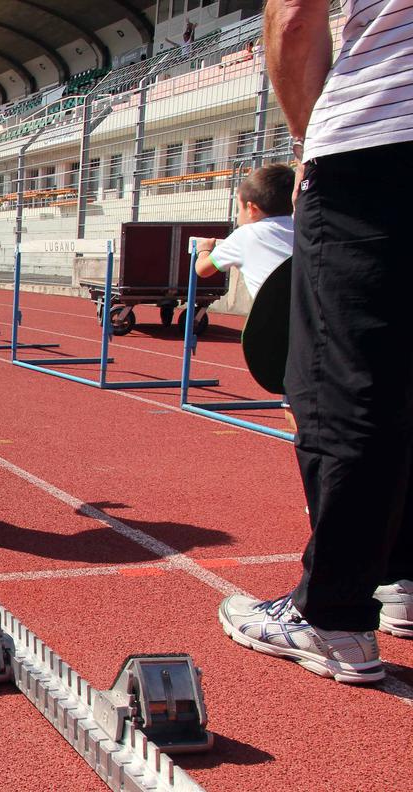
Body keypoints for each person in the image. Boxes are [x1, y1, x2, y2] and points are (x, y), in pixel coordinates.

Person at [216, 0, 413, 685]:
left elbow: (296, 17)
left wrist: (309, 143)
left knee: (340, 382)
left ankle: (333, 614)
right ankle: (399, 573)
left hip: (379, 145)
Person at [193, 164, 295, 300]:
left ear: (251, 209)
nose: (236, 214)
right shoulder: (303, 230)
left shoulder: (244, 235)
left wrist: (204, 251)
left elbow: (202, 270)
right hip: (306, 315)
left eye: (238, 209)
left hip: (267, 318)